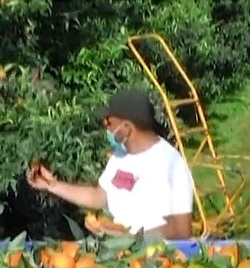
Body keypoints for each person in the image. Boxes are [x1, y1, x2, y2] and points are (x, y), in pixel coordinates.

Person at [27, 87, 195, 239]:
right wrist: (51, 185)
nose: (105, 127)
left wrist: (130, 238)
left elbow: (181, 229)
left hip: (155, 262)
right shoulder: (119, 157)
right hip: (118, 256)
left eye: (109, 122)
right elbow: (98, 197)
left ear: (127, 126)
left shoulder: (170, 164)